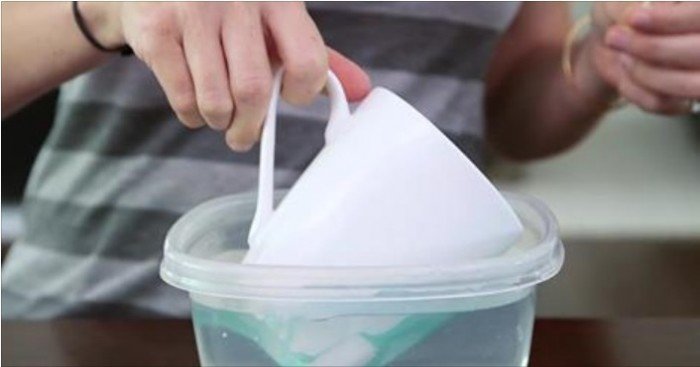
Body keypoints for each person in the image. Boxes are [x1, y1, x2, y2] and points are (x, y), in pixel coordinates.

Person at [1, 2, 698, 318]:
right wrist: (107, 10)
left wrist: (597, 66)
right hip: (96, 314)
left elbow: (509, 107)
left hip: (407, 328)